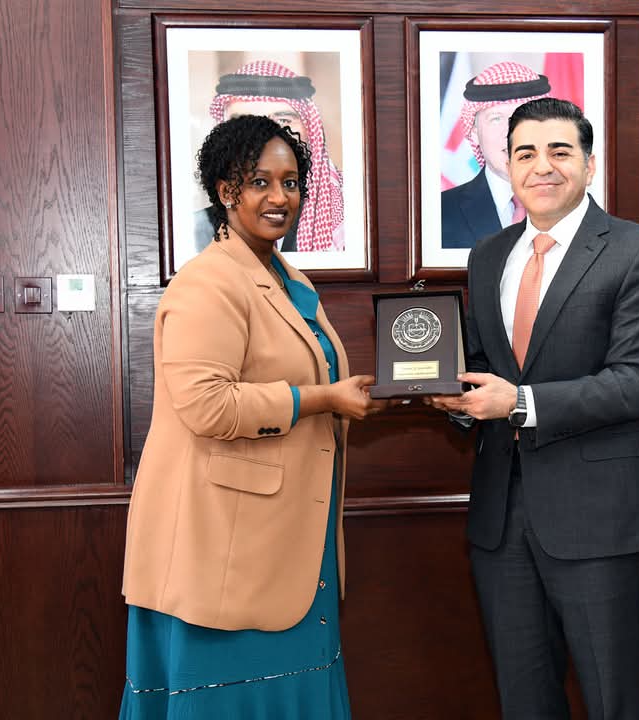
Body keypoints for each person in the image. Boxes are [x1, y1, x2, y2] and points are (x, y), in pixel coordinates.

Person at [120, 115, 387, 719]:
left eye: (290, 183)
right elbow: (207, 404)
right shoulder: (207, 282)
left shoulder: (288, 278)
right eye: (260, 182)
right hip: (226, 547)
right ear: (226, 191)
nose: (279, 197)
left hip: (287, 537)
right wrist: (322, 399)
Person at [428, 98, 639, 718]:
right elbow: (482, 366)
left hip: (598, 519)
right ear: (507, 168)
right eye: (525, 154)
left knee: (613, 699)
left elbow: (635, 384)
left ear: (590, 165)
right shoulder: (488, 255)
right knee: (524, 700)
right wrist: (455, 400)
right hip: (500, 519)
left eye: (559, 151)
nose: (542, 166)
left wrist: (517, 403)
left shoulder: (638, 250)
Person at [194, 59, 345, 254]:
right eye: (245, 123)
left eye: (283, 120)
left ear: (309, 129)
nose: (265, 136)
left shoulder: (350, 214)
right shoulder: (197, 230)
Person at [440, 61, 551, 249]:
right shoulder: (441, 213)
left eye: (523, 116)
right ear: (474, 133)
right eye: (496, 119)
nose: (510, 132)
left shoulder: (575, 207)